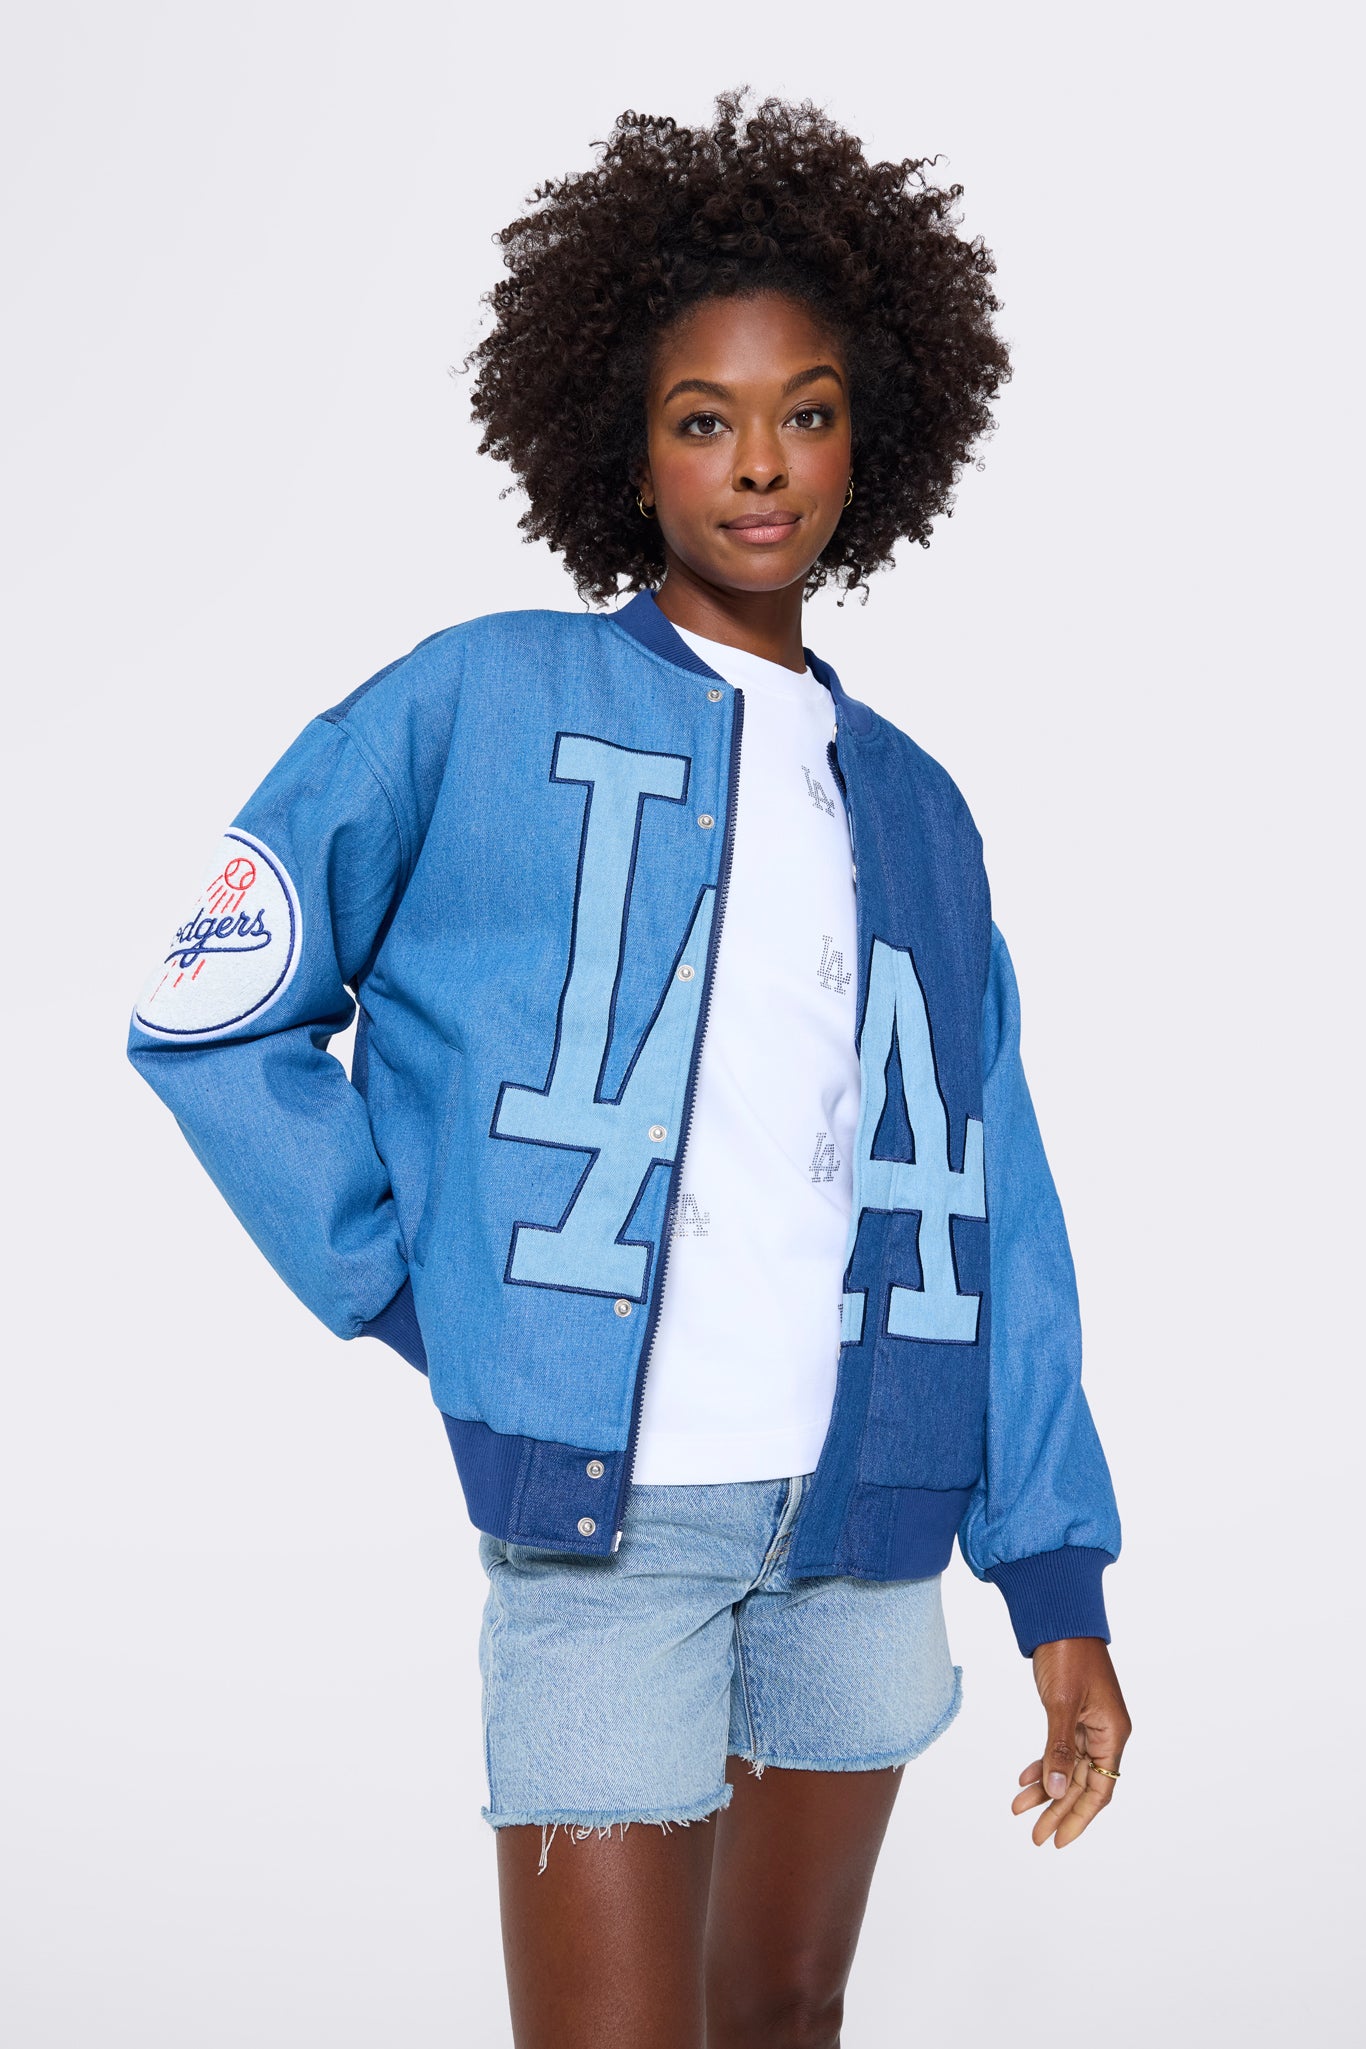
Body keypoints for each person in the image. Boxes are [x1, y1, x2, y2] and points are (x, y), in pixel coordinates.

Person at [128, 93, 1129, 2049]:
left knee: (786, 2013)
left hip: (863, 1520)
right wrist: (431, 1287)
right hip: (606, 1532)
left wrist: (1055, 1577)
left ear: (871, 434)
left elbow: (994, 1198)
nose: (757, 461)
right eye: (700, 417)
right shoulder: (475, 699)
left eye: (805, 411)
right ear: (621, 437)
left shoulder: (916, 808)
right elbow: (209, 1015)